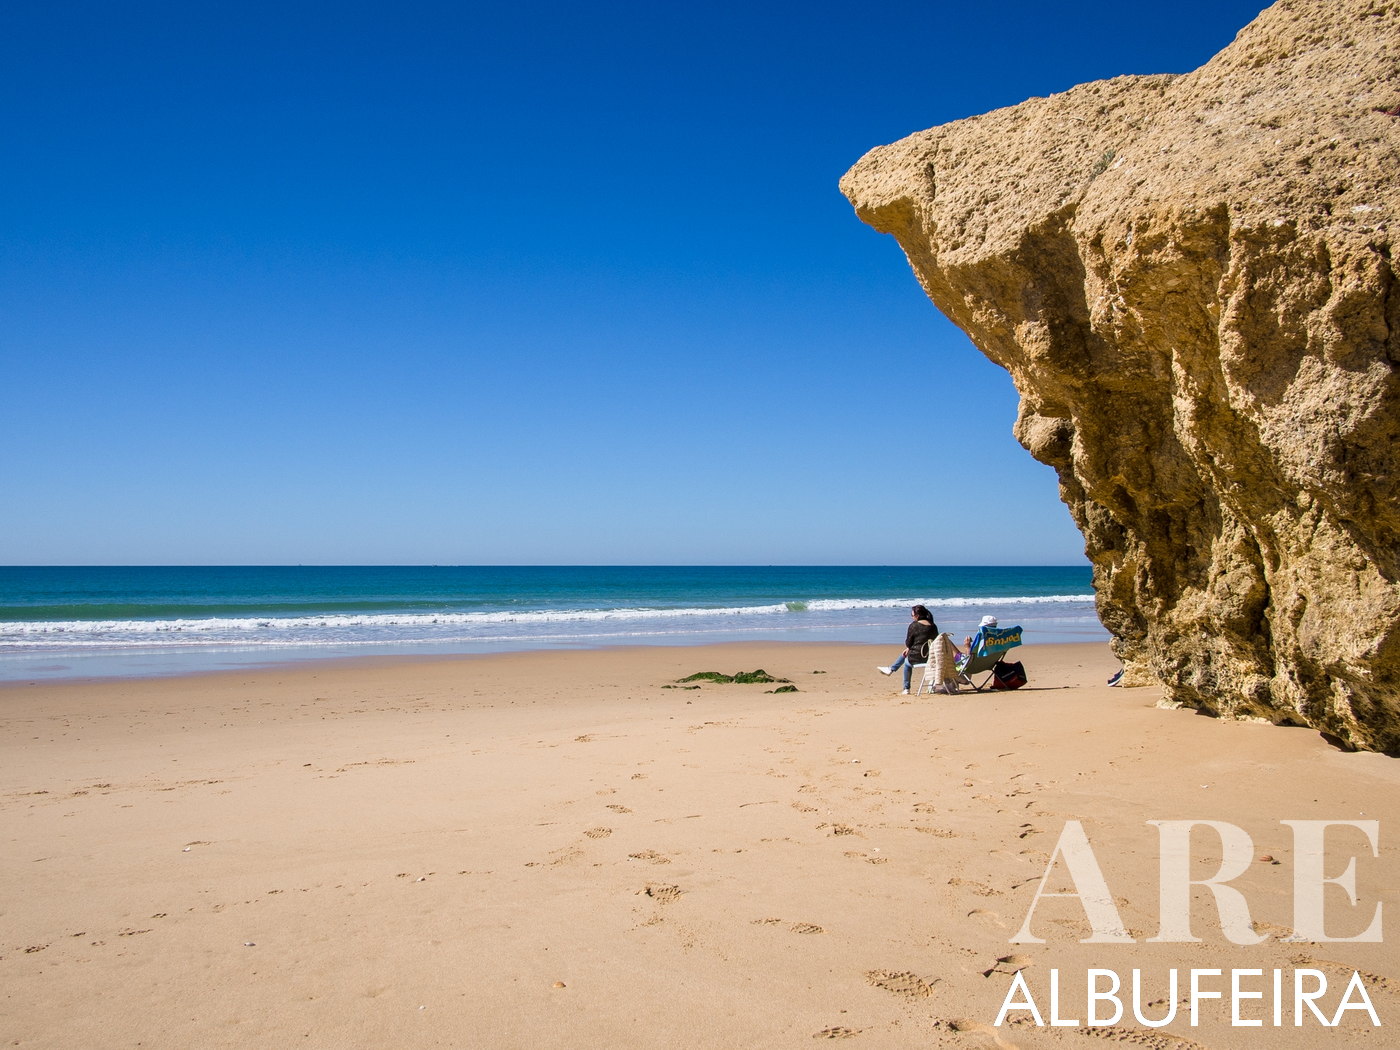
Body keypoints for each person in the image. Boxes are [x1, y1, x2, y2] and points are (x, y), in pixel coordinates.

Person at [876, 605, 939, 694]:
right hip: (931, 657)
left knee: (907, 662)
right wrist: (909, 648)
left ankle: (906, 688)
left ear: (917, 616)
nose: (912, 617)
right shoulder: (933, 626)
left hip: (916, 657)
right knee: (906, 653)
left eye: (912, 615)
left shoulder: (914, 625)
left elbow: (908, 642)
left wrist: (909, 647)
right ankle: (891, 669)